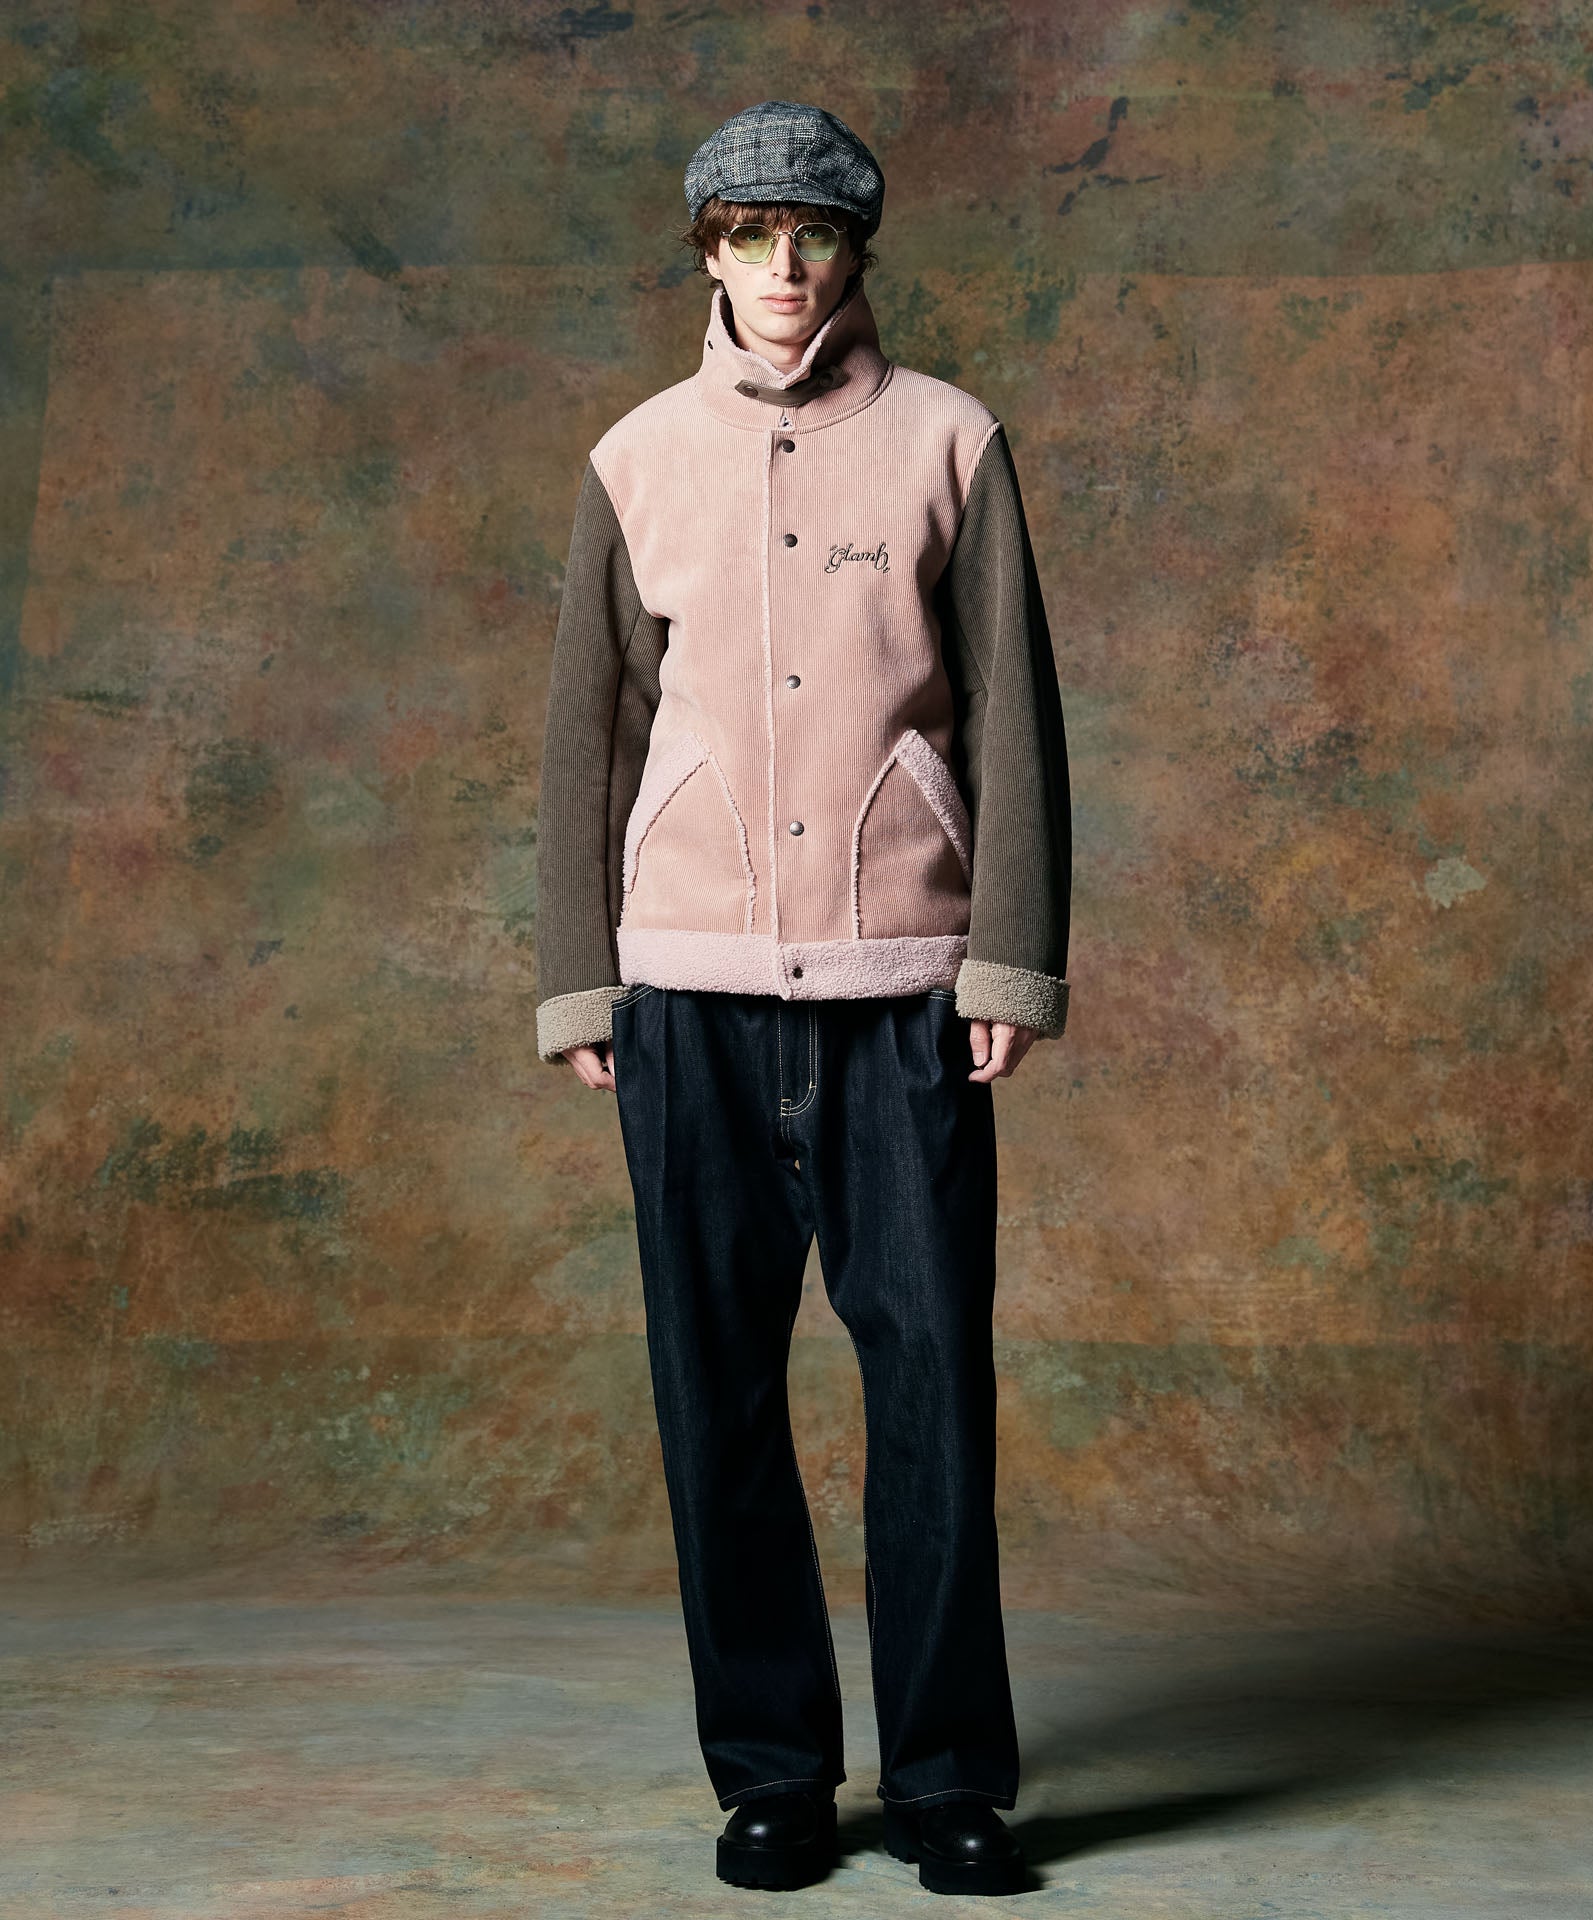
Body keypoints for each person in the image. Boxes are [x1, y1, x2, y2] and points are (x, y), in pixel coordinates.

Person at [533, 99, 1071, 1899]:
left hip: (904, 986)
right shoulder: (636, 459)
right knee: (716, 1394)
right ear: (708, 250)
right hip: (685, 994)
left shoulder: (949, 441)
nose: (782, 267)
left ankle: (946, 1779)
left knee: (934, 1393)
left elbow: (1013, 709)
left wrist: (1006, 954)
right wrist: (579, 978)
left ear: (855, 253)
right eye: (749, 235)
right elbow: (588, 734)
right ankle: (770, 1772)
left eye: (813, 235)